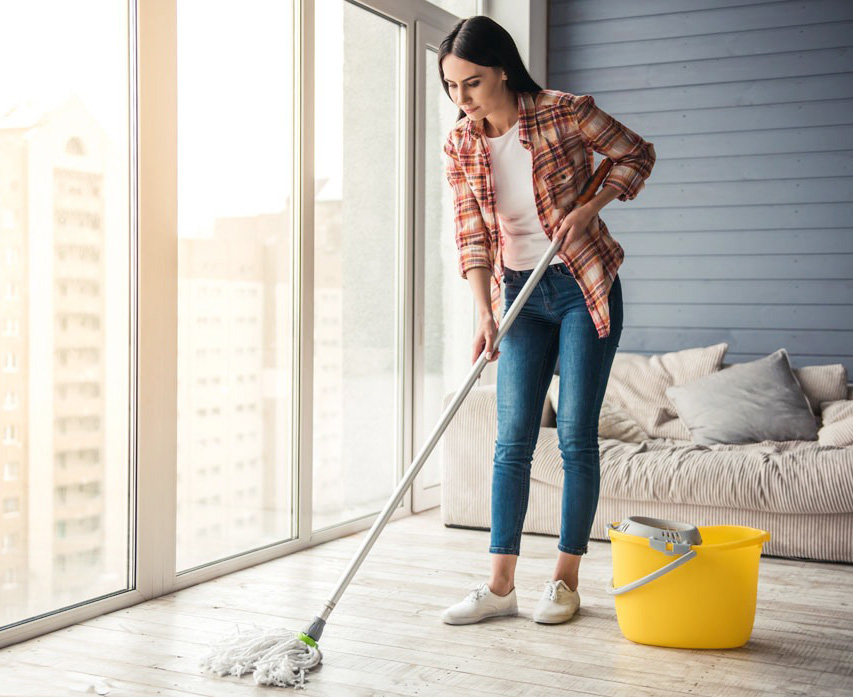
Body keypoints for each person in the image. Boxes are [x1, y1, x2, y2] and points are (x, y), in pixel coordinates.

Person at [438, 16, 656, 626]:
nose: (464, 100)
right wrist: (485, 312)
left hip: (583, 285)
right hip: (518, 295)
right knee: (511, 442)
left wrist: (590, 208)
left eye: (473, 84)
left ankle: (563, 581)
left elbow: (636, 155)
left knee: (575, 437)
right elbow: (472, 234)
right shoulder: (460, 144)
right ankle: (500, 586)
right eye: (452, 88)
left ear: (503, 69)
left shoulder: (564, 112)